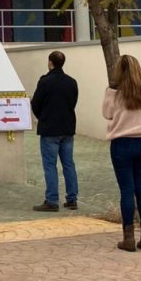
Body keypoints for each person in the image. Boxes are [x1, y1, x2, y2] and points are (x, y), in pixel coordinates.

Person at [102, 54, 141, 253]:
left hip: (122, 144)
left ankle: (128, 237)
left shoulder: (114, 92)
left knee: (127, 189)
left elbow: (107, 114)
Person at [31, 50, 79, 212]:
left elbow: (35, 104)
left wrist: (43, 117)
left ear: (50, 62)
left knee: (50, 165)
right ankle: (72, 199)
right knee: (68, 164)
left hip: (50, 129)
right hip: (67, 127)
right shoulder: (71, 82)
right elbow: (73, 103)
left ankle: (52, 200)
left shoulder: (45, 82)